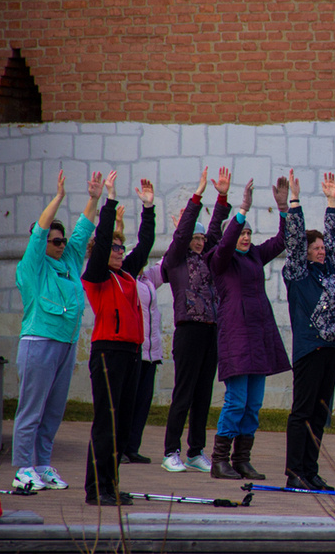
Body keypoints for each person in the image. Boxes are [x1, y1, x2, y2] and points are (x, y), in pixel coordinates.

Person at [12, 170, 103, 491]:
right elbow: (40, 232)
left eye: (63, 240)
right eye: (56, 241)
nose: (62, 245)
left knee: (52, 411)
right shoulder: (33, 265)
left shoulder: (69, 261)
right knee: (31, 410)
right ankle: (23, 467)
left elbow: (84, 229)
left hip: (66, 344)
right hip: (38, 342)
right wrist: (59, 197)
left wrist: (94, 198)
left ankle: (41, 464)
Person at [207, 177, 292, 479]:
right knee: (236, 401)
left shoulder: (255, 254)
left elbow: (282, 241)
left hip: (259, 336)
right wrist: (242, 209)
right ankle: (219, 460)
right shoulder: (220, 259)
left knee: (253, 404)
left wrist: (283, 208)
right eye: (241, 232)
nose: (245, 237)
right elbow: (226, 242)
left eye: (248, 233)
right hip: (236, 337)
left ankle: (242, 459)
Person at [82, 172, 156, 506]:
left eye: (121, 247)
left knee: (123, 425)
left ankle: (111, 485)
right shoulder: (97, 275)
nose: (119, 251)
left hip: (131, 353)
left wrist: (148, 208)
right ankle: (96, 489)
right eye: (114, 247)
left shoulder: (126, 274)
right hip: (108, 353)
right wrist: (109, 201)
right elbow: (101, 243)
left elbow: (145, 244)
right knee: (107, 423)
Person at [160, 166, 231, 473]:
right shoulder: (176, 259)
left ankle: (195, 451)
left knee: (203, 394)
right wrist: (198, 196)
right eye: (195, 238)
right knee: (184, 392)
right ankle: (170, 451)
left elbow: (216, 232)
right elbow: (182, 233)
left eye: (202, 238)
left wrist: (222, 198)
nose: (201, 242)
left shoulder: (207, 258)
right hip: (188, 330)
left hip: (210, 330)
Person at [283, 170, 335, 491]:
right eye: (316, 247)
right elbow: (295, 240)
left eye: (323, 247)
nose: (321, 250)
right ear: (306, 253)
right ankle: (294, 470)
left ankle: (310, 470)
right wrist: (295, 202)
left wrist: (332, 201)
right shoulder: (298, 273)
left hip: (332, 350)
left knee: (320, 415)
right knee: (303, 411)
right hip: (310, 349)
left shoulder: (331, 271)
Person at [114, 206, 165, 465]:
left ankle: (132, 447)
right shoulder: (126, 277)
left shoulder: (148, 279)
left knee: (143, 402)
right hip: (134, 349)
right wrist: (119, 226)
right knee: (128, 402)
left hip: (151, 352)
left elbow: (169, 259)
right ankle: (119, 448)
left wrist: (183, 229)